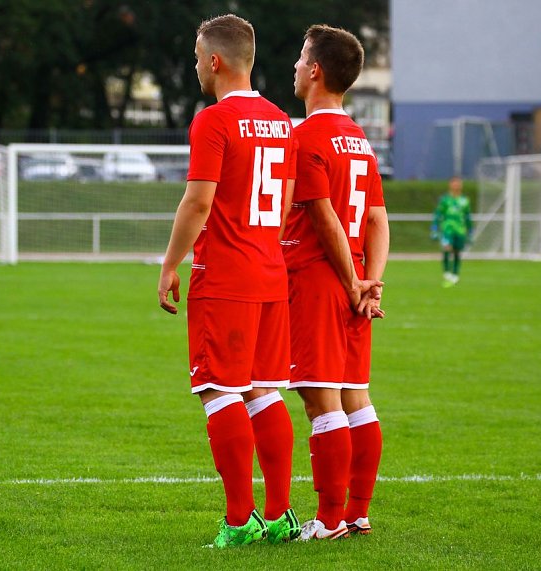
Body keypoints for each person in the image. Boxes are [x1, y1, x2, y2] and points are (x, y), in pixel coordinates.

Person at [157, 14, 300, 548]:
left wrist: (171, 263)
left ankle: (239, 522)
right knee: (264, 392)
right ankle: (281, 514)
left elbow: (198, 200)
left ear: (214, 61)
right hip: (269, 271)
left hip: (226, 276)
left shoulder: (213, 121)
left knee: (220, 391)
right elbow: (284, 202)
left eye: (197, 57)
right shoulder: (281, 121)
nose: (196, 66)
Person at [283, 24, 389, 540]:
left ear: (317, 71)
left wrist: (350, 281)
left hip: (320, 279)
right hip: (354, 281)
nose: (296, 68)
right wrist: (373, 282)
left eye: (302, 59)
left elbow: (323, 216)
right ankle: (358, 512)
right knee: (355, 396)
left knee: (321, 401)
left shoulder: (304, 137)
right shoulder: (360, 140)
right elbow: (376, 220)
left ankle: (328, 521)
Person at [431, 176, 472, 287]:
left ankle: (455, 274)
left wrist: (470, 231)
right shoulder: (445, 200)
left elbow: (468, 217)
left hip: (460, 230)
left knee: (457, 252)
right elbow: (438, 214)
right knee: (447, 248)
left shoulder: (465, 201)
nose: (456, 185)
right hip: (447, 229)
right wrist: (434, 228)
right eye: (454, 183)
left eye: (458, 183)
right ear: (450, 185)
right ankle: (447, 273)